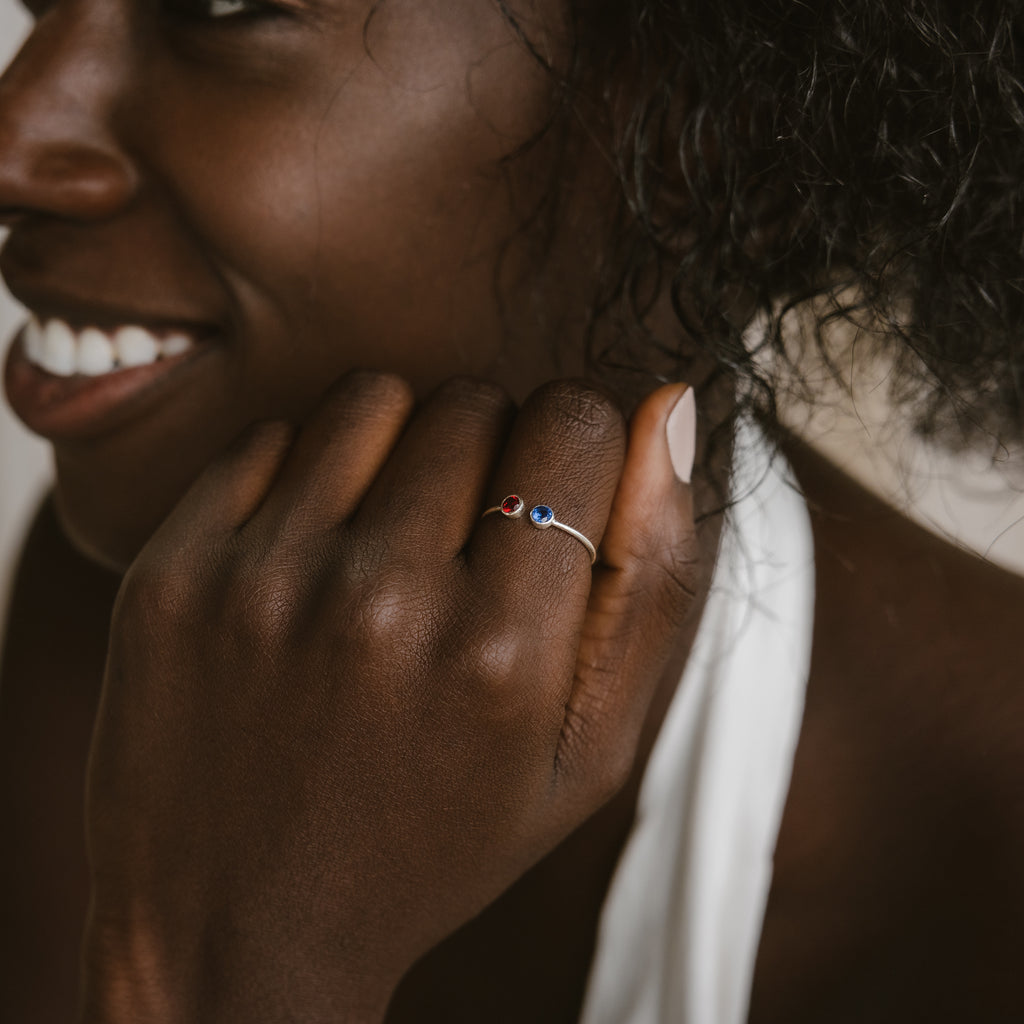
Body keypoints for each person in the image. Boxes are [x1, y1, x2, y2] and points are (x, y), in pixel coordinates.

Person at [0, 1, 1022, 1021]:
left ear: (706, 139)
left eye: (220, 8)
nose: (17, 143)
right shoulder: (187, 604)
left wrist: (226, 982)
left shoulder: (982, 891)